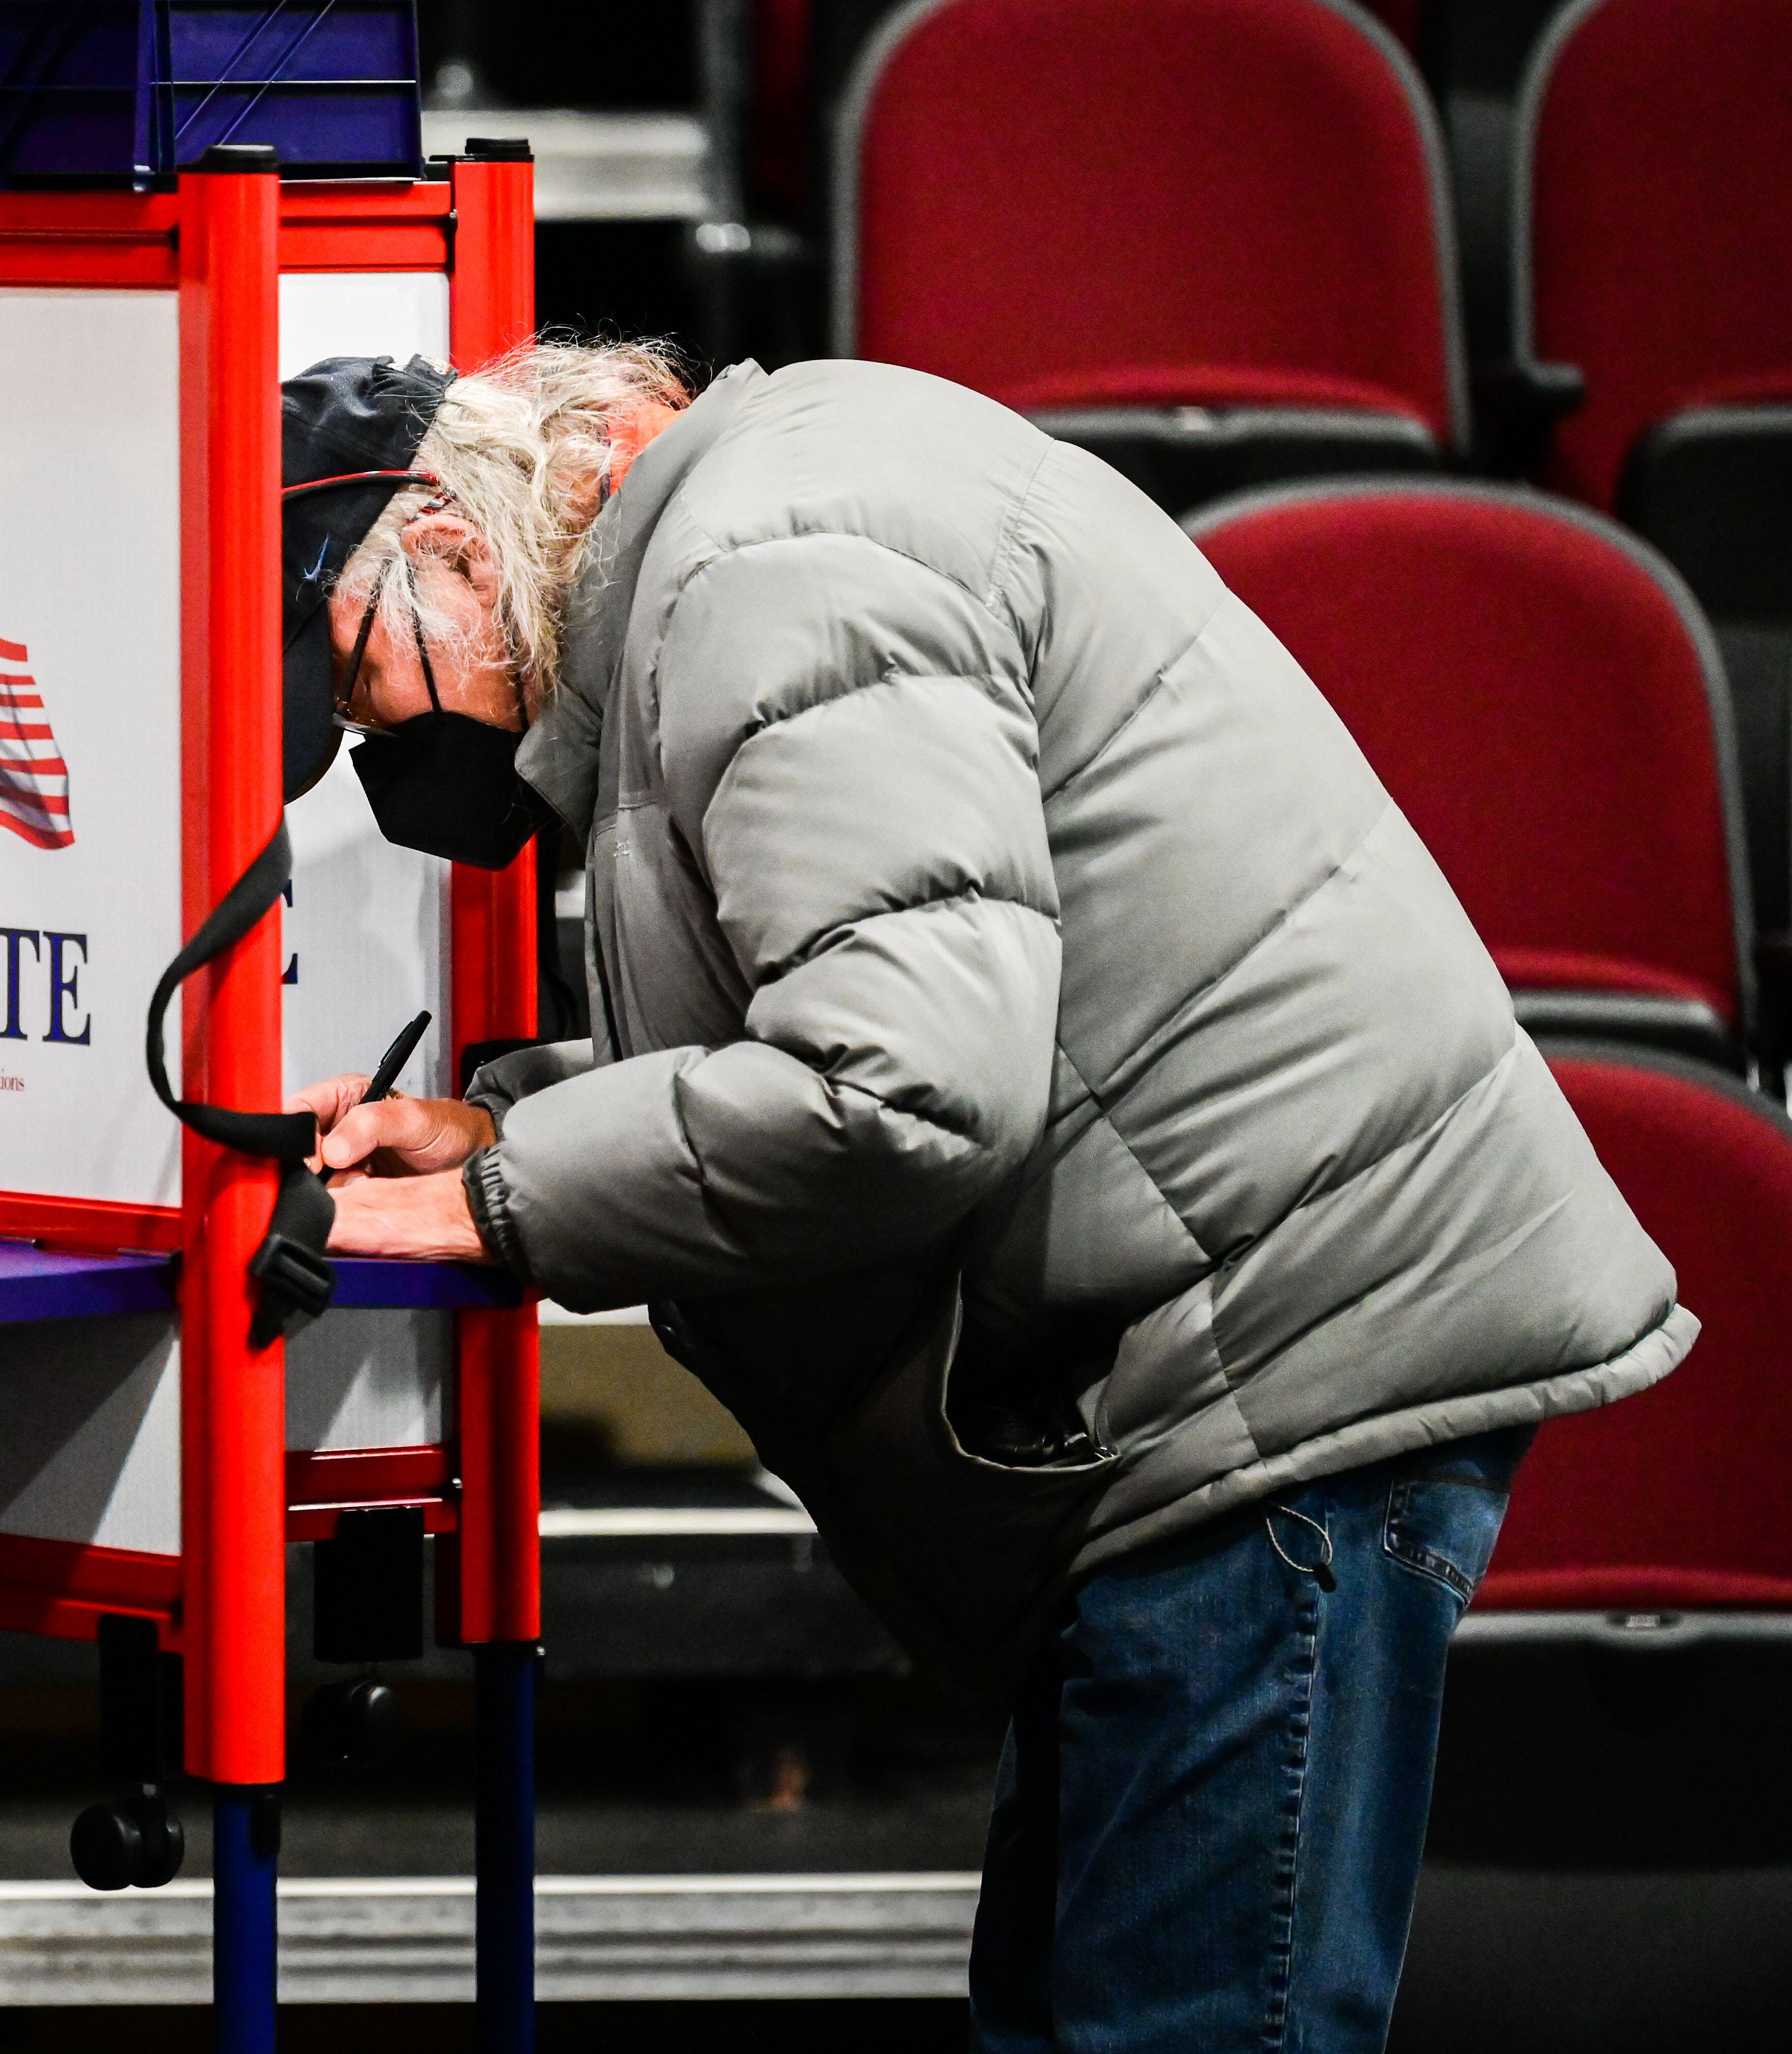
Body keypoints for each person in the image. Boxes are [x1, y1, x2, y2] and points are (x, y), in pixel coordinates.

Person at [273, 344, 1694, 2052]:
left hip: (1267, 1382)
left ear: (454, 534)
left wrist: (495, 1205)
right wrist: (501, 1117)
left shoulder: (764, 569)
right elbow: (871, 1004)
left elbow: (900, 1087)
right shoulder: (758, 523)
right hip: (1208, 1376)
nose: (390, 745)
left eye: (365, 677)